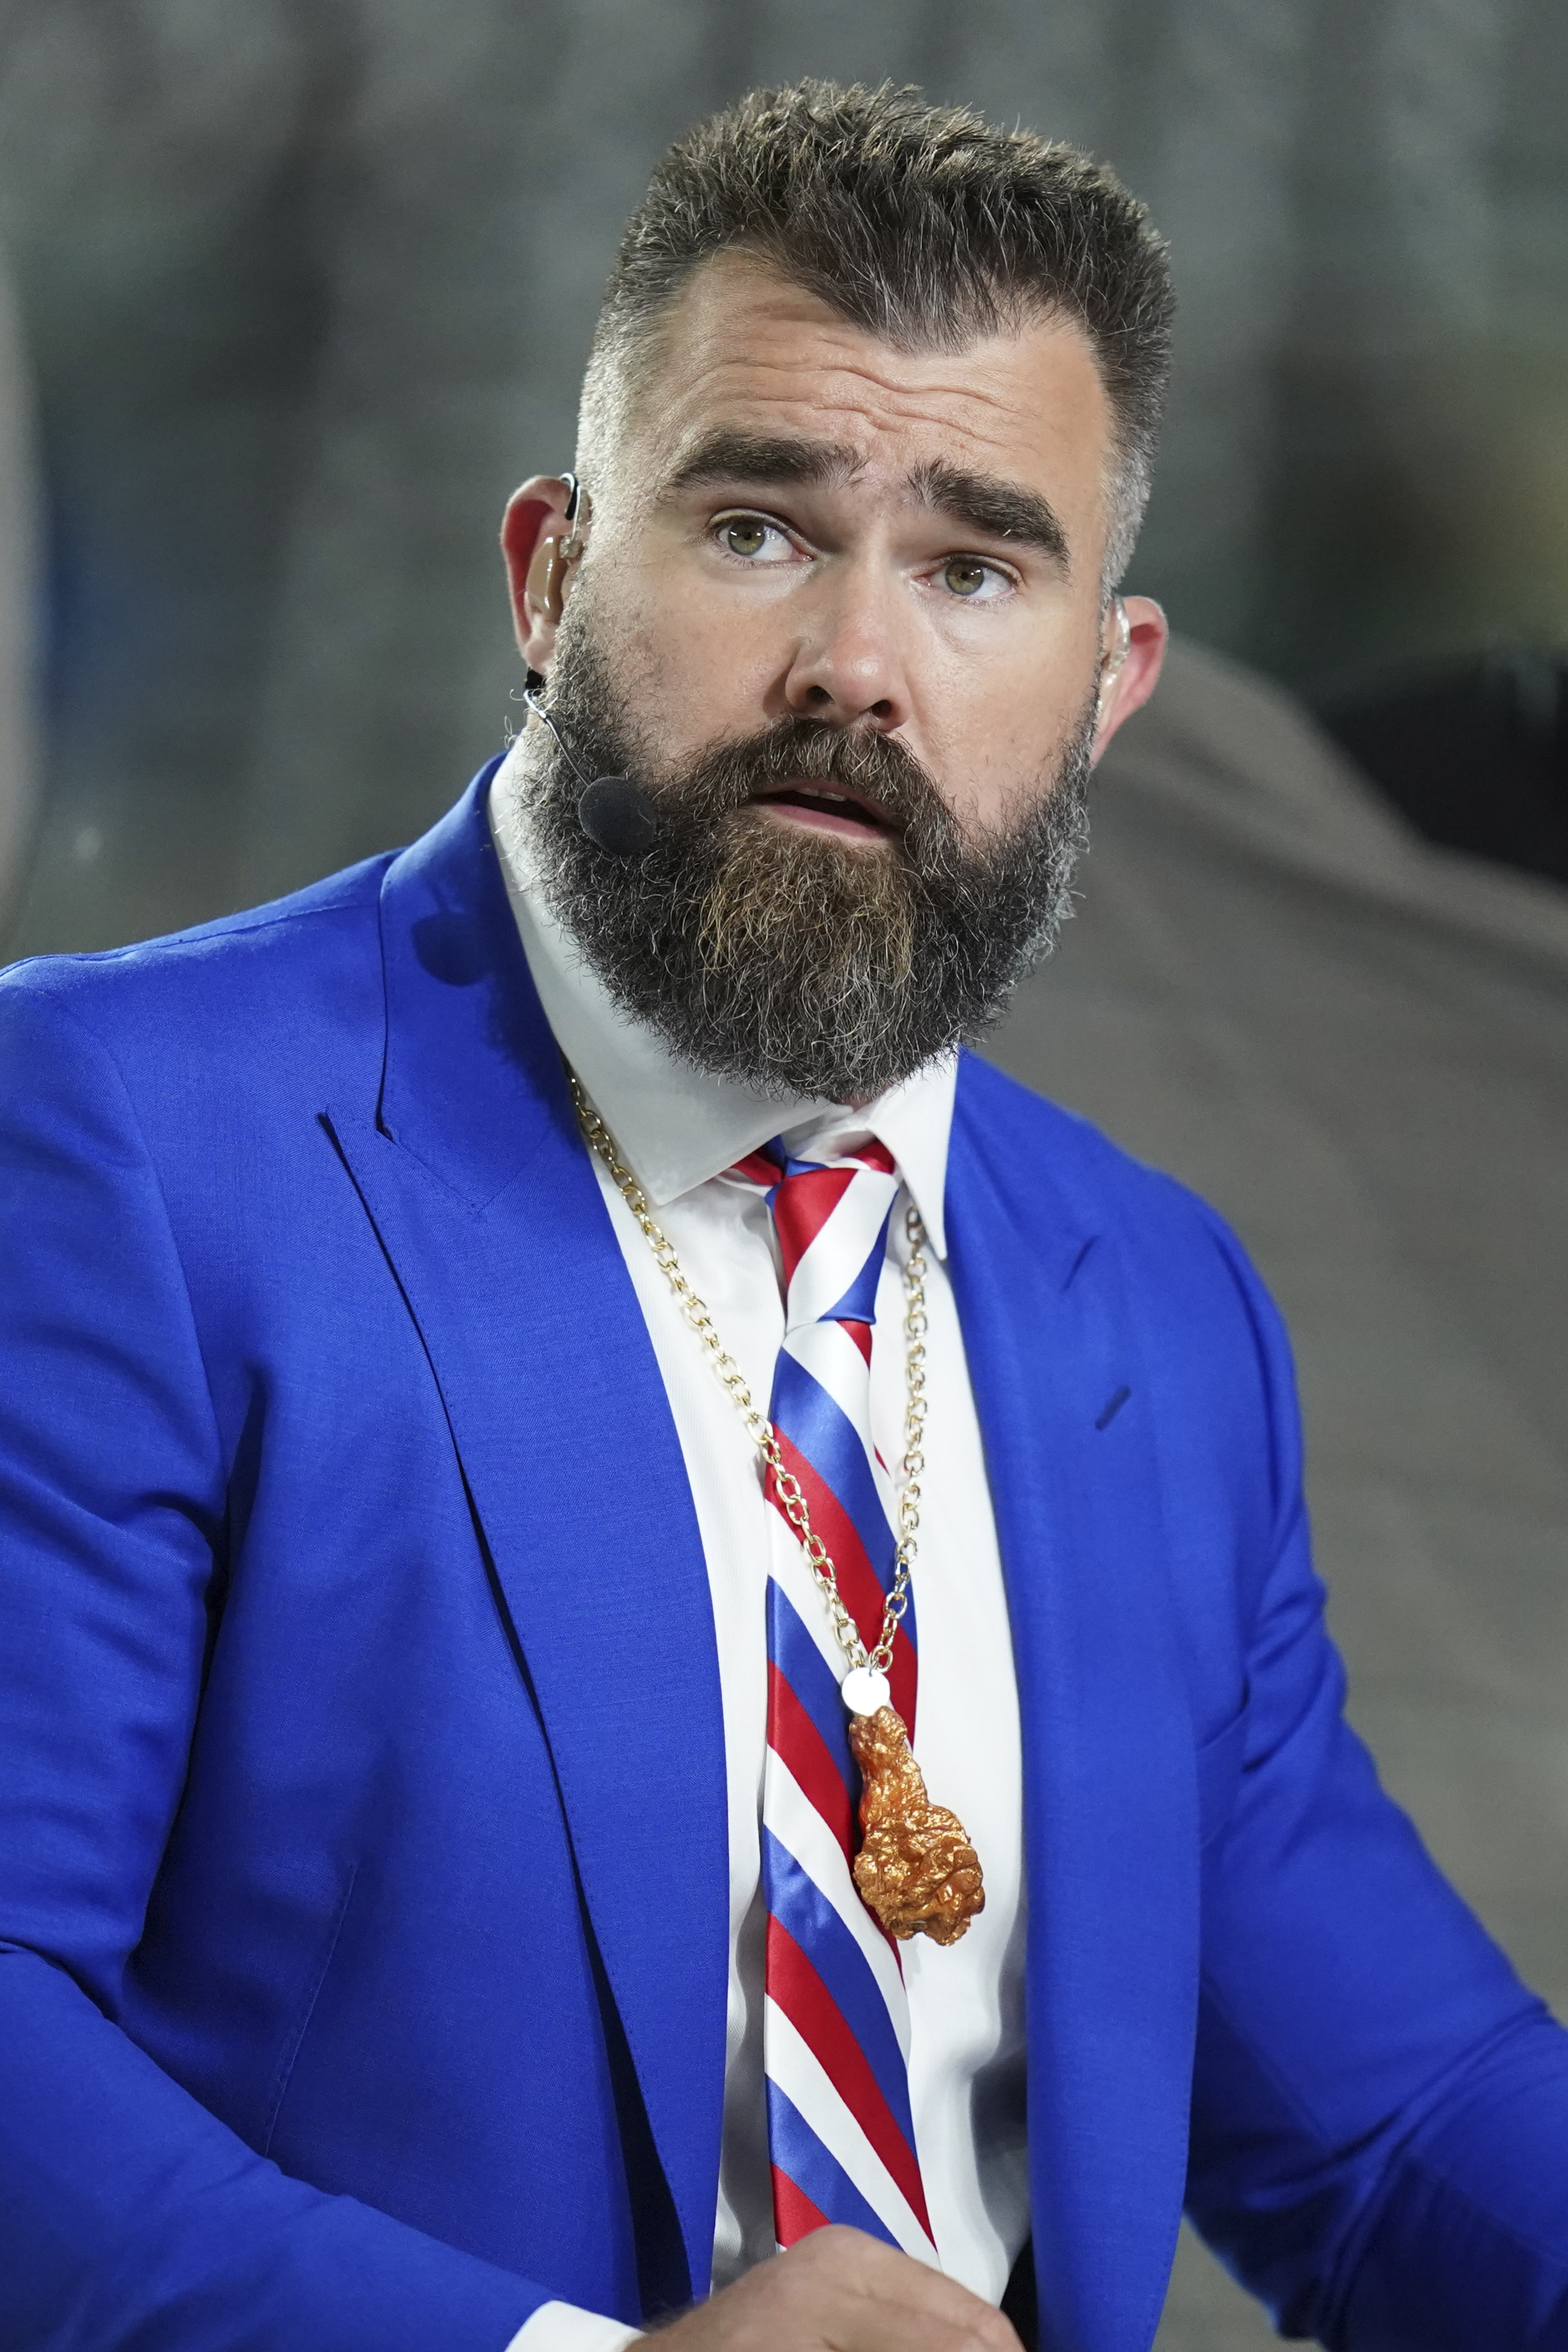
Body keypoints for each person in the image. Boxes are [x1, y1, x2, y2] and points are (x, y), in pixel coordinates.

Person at [1, 78, 1565, 2352]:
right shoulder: (120, 1142)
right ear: (548, 576)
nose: (857, 660)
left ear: (1106, 687)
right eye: (755, 528)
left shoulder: (1149, 1297)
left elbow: (1397, 2122)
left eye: (972, 565)